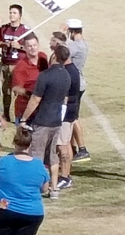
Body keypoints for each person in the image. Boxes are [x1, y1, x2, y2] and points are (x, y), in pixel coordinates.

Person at [20, 45, 71, 200]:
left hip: (42, 121)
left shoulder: (45, 75)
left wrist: (24, 118)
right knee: (52, 156)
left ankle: (35, 188)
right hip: (56, 121)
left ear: (54, 56)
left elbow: (35, 99)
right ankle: (54, 188)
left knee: (36, 156)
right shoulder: (66, 76)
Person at [64, 19, 90, 162]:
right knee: (71, 117)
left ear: (71, 31)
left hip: (74, 84)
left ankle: (82, 148)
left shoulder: (74, 46)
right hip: (79, 83)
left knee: (73, 117)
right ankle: (74, 147)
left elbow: (61, 52)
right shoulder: (83, 44)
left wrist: (61, 35)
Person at [0, 4, 28, 122]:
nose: (11, 15)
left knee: (19, 90)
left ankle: (19, 115)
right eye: (10, 12)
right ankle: (6, 113)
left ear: (20, 15)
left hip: (18, 65)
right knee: (6, 91)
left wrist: (20, 46)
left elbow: (32, 47)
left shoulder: (25, 30)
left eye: (14, 13)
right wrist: (4, 44)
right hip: (5, 63)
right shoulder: (4, 28)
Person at [11, 34, 48, 125]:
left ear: (38, 45)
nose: (33, 48)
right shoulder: (21, 66)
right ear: (25, 48)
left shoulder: (43, 57)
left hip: (42, 110)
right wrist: (32, 94)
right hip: (25, 110)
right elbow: (16, 88)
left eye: (34, 45)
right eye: (29, 46)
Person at [57, 48, 80, 190]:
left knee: (62, 145)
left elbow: (68, 95)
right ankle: (67, 174)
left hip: (65, 113)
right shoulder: (74, 69)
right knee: (66, 143)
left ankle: (65, 177)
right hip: (72, 111)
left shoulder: (67, 72)